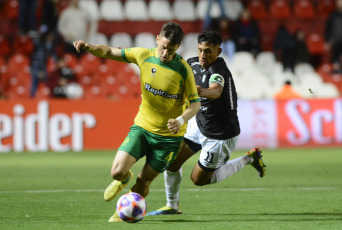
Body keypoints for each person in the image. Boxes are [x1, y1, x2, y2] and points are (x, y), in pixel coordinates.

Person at [73, 22, 201, 222]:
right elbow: (109, 51)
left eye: (171, 50)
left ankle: (123, 212)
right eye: (163, 47)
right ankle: (124, 178)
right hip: (142, 129)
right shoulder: (143, 55)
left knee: (144, 181)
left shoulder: (183, 70)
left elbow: (195, 104)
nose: (165, 53)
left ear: (179, 47)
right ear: (157, 39)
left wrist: (180, 119)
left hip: (168, 139)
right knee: (116, 171)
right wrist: (89, 47)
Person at [146, 31, 266, 215]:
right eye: (200, 50)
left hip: (220, 135)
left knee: (198, 179)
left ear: (218, 51)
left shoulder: (218, 70)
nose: (203, 55)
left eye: (208, 51)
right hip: (199, 123)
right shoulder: (193, 63)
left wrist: (198, 92)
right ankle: (172, 206)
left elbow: (215, 91)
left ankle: (249, 158)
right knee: (171, 162)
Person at [324, 0, 342, 73]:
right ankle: (336, 75)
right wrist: (326, 41)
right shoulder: (333, 15)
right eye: (338, 2)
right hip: (336, 41)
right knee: (335, 60)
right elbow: (328, 28)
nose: (340, 4)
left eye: (341, 2)